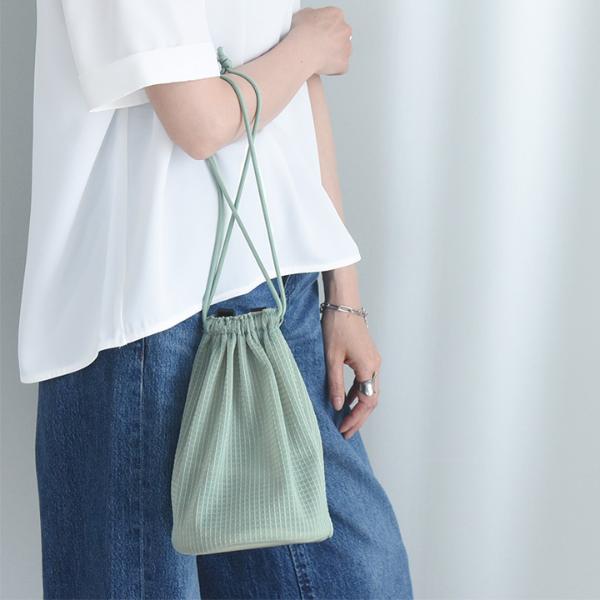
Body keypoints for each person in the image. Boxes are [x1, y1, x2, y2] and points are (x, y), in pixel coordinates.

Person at [21, 0, 413, 598]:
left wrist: (344, 292)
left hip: (284, 291)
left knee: (363, 572)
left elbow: (295, 81)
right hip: (150, 315)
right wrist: (310, 45)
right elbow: (201, 122)